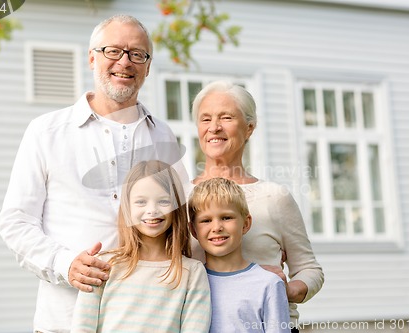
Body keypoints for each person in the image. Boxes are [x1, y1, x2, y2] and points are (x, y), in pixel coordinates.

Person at [0, 15, 186, 333]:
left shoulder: (164, 137)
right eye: (113, 50)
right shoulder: (46, 132)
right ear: (91, 58)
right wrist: (65, 263)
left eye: (137, 54)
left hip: (145, 321)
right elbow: (16, 222)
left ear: (148, 66)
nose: (124, 62)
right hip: (65, 320)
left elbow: (187, 224)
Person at [191, 80, 324, 332]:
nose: (214, 128)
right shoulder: (181, 197)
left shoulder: (274, 197)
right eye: (205, 119)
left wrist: (285, 290)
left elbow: (309, 269)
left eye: (226, 117)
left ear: (249, 128)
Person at [70, 160, 211, 332]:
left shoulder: (192, 272)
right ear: (127, 207)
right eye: (141, 202)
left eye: (164, 201)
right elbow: (83, 327)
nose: (152, 210)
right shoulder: (103, 265)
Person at [189, 177, 290, 333]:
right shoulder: (189, 282)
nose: (216, 227)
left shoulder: (268, 284)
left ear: (246, 224)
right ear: (194, 230)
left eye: (226, 217)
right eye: (206, 220)